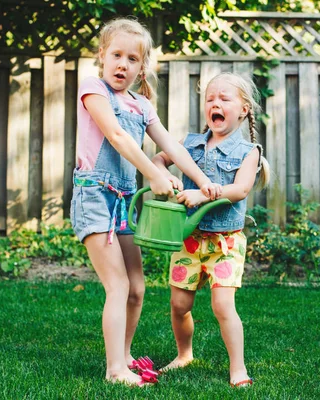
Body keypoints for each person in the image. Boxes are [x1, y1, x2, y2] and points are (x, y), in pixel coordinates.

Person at [70, 17, 222, 387]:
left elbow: (171, 146)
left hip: (124, 201)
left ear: (142, 67)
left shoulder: (141, 105)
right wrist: (153, 175)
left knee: (137, 288)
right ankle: (114, 370)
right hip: (94, 195)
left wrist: (203, 182)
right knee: (118, 286)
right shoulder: (93, 88)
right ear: (102, 56)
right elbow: (118, 137)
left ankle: (124, 355)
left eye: (132, 59)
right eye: (116, 55)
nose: (123, 64)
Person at [152, 72, 271, 387]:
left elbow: (240, 190)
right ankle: (183, 354)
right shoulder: (189, 143)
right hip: (188, 239)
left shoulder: (249, 152)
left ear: (244, 110)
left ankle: (238, 368)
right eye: (210, 99)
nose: (215, 104)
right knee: (179, 305)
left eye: (224, 99)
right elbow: (158, 159)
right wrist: (165, 176)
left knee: (222, 306)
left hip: (225, 244)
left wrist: (202, 193)